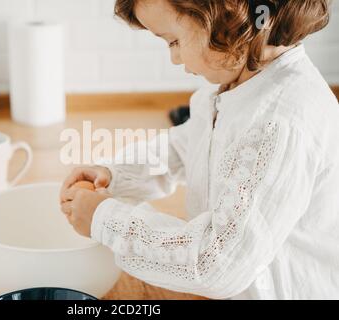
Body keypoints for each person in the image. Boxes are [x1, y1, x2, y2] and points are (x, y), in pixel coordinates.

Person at [60, 0, 339, 299]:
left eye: (174, 41)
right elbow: (187, 146)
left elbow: (217, 264)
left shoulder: (281, 121)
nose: (175, 58)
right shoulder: (232, 84)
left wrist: (105, 220)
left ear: (227, 15)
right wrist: (116, 174)